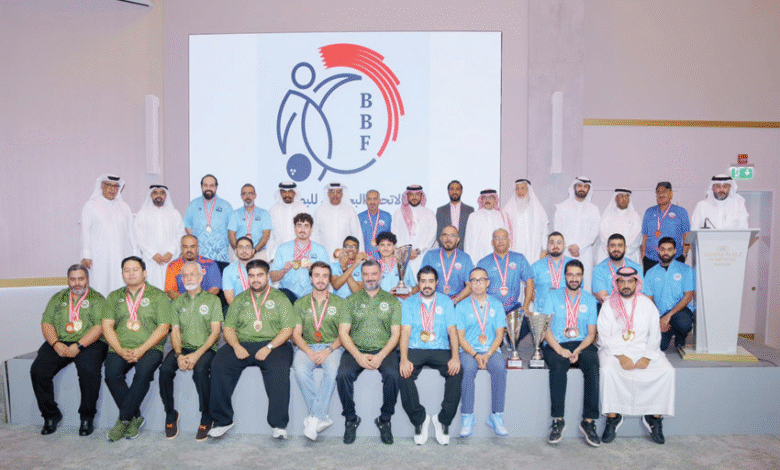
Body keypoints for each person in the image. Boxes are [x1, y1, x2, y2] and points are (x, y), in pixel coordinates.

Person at [208, 260, 295, 439]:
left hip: (274, 344)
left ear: (267, 276)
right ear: (248, 278)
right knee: (218, 365)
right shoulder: (239, 299)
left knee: (280, 369)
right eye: (252, 275)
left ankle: (278, 425)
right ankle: (222, 421)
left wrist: (269, 347)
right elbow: (229, 328)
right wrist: (236, 346)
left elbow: (288, 329)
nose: (256, 279)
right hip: (243, 343)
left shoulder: (280, 298)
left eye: (260, 275)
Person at [598, 266, 675, 445]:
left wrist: (647, 357)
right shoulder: (608, 305)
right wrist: (621, 356)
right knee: (608, 371)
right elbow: (604, 335)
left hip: (643, 349)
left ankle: (654, 417)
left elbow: (655, 334)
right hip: (614, 350)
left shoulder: (647, 304)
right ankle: (613, 417)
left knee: (666, 371)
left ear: (636, 283)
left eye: (630, 281)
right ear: (616, 283)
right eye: (622, 282)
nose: (626, 285)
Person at [30, 264, 108, 436]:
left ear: (87, 279)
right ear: (68, 280)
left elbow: (99, 327)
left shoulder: (97, 299)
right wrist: (55, 343)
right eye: (73, 279)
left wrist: (79, 345)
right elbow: (46, 323)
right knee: (38, 370)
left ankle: (87, 417)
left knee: (89, 371)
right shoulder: (58, 298)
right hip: (60, 341)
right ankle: (51, 415)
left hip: (90, 342)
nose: (77, 283)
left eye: (81, 279)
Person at [103, 256, 171, 442]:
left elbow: (163, 328)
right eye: (127, 270)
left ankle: (124, 419)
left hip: (150, 348)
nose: (131, 273)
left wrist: (141, 350)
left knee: (142, 373)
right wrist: (119, 349)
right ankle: (135, 418)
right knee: (111, 374)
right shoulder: (114, 297)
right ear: (122, 274)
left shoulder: (158, 296)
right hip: (120, 347)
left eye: (135, 269)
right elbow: (107, 326)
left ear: (144, 273)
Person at [336, 260, 402, 445]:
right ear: (361, 276)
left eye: (374, 274)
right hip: (356, 349)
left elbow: (396, 334)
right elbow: (343, 333)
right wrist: (358, 355)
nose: (370, 278)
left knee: (393, 375)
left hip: (385, 350)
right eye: (366, 274)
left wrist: (381, 356)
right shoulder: (350, 301)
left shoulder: (392, 301)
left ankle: (385, 420)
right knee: (342, 375)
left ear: (381, 275)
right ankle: (351, 419)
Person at [158, 261, 222, 441]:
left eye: (193, 274)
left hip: (206, 348)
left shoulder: (213, 300)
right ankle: (170, 413)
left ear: (201, 277)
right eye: (185, 275)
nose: (188, 278)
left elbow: (216, 332)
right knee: (165, 370)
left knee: (200, 372)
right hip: (183, 348)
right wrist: (179, 355)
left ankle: (207, 415)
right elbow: (175, 331)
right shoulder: (177, 302)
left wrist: (197, 355)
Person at [539, 260, 600, 447]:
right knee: (558, 366)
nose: (574, 278)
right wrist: (560, 349)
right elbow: (545, 329)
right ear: (565, 276)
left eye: (578, 275)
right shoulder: (552, 296)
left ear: (582, 277)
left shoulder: (589, 299)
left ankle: (588, 421)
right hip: (557, 342)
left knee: (593, 364)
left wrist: (578, 350)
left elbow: (591, 333)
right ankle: (558, 420)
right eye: (570, 274)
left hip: (581, 343)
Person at [399, 267, 462, 445]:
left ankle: (443, 420)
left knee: (457, 372)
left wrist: (455, 357)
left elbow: (452, 331)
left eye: (431, 281)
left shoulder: (446, 302)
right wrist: (403, 359)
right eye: (423, 281)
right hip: (416, 347)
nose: (427, 285)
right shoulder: (409, 303)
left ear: (437, 283)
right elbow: (405, 332)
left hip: (440, 348)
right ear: (418, 283)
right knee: (402, 374)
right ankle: (420, 419)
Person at [291, 262, 346, 441]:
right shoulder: (300, 303)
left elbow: (344, 335)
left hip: (332, 346)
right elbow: (296, 334)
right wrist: (308, 351)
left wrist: (328, 350)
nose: (321, 280)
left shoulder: (340, 303)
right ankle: (321, 416)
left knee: (333, 370)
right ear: (310, 278)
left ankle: (313, 418)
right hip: (306, 346)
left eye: (325, 276)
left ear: (329, 279)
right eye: (317, 275)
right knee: (299, 369)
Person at [455, 268, 507, 437]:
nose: (477, 284)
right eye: (474, 280)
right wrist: (476, 355)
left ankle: (496, 415)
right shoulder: (461, 306)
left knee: (499, 368)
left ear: (487, 283)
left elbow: (500, 334)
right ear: (469, 284)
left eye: (481, 280)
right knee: (468, 369)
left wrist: (489, 354)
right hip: (468, 351)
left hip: (491, 350)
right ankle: (467, 416)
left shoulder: (497, 305)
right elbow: (460, 338)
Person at [81, 174, 136, 296]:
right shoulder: (91, 205)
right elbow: (85, 231)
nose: (112, 189)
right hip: (99, 256)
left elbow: (131, 233)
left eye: (115, 186)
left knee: (120, 284)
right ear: (101, 186)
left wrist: (134, 256)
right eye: (109, 185)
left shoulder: (124, 207)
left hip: (121, 255)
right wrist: (86, 255)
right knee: (100, 285)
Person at [476, 229, 535, 334]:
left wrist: (526, 306)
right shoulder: (483, 262)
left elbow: (529, 281)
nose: (500, 241)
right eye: (497, 238)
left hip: (512, 307)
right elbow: (477, 287)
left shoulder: (519, 259)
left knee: (526, 324)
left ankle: (510, 338)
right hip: (490, 308)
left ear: (509, 241)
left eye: (503, 238)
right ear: (492, 242)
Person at [643, 237, 695, 351]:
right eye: (662, 249)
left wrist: (669, 316)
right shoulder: (650, 273)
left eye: (669, 249)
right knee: (660, 346)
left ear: (675, 251)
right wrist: (658, 319)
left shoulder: (685, 269)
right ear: (658, 250)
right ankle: (669, 330)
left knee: (683, 323)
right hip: (660, 313)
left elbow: (688, 297)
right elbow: (648, 300)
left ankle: (680, 335)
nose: (666, 253)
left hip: (680, 311)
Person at [269, 212, 329, 304]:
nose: (302, 229)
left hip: (311, 294)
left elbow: (327, 278)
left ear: (311, 229)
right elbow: (273, 278)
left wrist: (315, 270)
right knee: (283, 296)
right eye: (299, 225)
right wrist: (284, 270)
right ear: (294, 228)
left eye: (306, 226)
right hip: (288, 294)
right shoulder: (283, 248)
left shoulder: (321, 250)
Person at [134, 184, 185, 290]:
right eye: (155, 193)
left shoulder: (174, 214)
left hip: (170, 259)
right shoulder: (142, 214)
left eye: (162, 193)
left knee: (170, 288)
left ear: (166, 196)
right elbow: (138, 236)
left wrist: (171, 252)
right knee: (151, 288)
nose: (158, 196)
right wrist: (152, 253)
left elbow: (181, 234)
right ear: (151, 195)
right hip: (150, 260)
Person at [554, 177, 600, 291]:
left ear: (589, 189)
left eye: (585, 187)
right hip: (565, 251)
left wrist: (579, 246)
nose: (582, 189)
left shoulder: (594, 209)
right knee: (564, 282)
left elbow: (594, 232)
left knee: (585, 284)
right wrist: (570, 245)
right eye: (579, 186)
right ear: (574, 187)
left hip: (585, 252)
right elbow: (558, 229)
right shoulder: (563, 207)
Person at [184, 174, 233, 270]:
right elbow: (188, 226)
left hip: (221, 256)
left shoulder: (226, 206)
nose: (208, 188)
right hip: (199, 258)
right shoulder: (193, 205)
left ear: (216, 187)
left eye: (211, 186)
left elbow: (231, 230)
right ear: (201, 186)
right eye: (205, 185)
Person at [641, 182, 690, 273]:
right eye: (658, 192)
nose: (661, 194)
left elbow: (686, 235)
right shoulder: (649, 212)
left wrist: (684, 254)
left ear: (671, 194)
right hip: (651, 259)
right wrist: (643, 255)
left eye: (664, 191)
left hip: (674, 259)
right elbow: (644, 236)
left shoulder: (681, 212)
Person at [421, 225, 474, 305]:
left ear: (458, 239)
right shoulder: (430, 256)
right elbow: (422, 282)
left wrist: (455, 301)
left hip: (457, 302)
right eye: (445, 235)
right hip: (433, 302)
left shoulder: (465, 258)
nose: (448, 238)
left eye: (452, 235)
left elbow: (470, 286)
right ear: (441, 239)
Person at [392, 185, 437, 274]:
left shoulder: (429, 213)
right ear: (407, 196)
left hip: (422, 256)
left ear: (421, 196)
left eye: (417, 195)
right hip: (403, 256)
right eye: (411, 195)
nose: (414, 197)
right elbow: (394, 234)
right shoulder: (398, 213)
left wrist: (419, 250)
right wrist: (406, 252)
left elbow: (432, 235)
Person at [592, 233, 644, 307]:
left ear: (625, 248)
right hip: (608, 309)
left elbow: (640, 294)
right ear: (607, 248)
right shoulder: (599, 270)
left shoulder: (636, 268)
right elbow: (603, 299)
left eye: (620, 245)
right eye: (613, 245)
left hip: (632, 308)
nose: (616, 249)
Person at [165, 235, 221, 300]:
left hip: (205, 301)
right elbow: (171, 292)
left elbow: (215, 289)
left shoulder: (210, 264)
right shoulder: (173, 265)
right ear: (181, 249)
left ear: (198, 248)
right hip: (182, 302)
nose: (189, 250)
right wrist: (187, 302)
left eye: (192, 247)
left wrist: (199, 301)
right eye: (185, 247)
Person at [504, 179, 549, 262]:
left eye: (522, 188)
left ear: (528, 190)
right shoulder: (508, 209)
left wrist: (544, 249)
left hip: (533, 250)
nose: (520, 191)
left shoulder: (537, 209)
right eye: (517, 189)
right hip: (515, 249)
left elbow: (544, 230)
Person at [314, 182, 362, 259]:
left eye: (338, 192)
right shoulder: (319, 211)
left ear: (342, 194)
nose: (335, 195)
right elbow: (314, 235)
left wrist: (360, 257)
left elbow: (357, 235)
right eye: (332, 192)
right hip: (324, 256)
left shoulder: (350, 211)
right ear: (328, 194)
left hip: (346, 257)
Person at [464, 189, 512, 263]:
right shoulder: (473, 216)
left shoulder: (500, 216)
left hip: (497, 257)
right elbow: (468, 240)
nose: (487, 200)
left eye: (490, 198)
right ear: (481, 201)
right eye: (485, 198)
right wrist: (469, 260)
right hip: (478, 257)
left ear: (495, 200)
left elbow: (505, 237)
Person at [530, 232, 573, 313]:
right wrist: (538, 302)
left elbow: (579, 288)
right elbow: (528, 288)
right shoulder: (536, 266)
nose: (555, 246)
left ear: (564, 245)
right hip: (543, 313)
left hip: (567, 311)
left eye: (559, 243)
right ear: (547, 246)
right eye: (552, 243)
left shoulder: (573, 265)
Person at [228, 184, 272, 260]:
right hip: (240, 254)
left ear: (255, 196)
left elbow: (266, 235)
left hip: (258, 252)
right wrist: (238, 250)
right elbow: (231, 235)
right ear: (241, 196)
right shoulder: (235, 214)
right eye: (244, 194)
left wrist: (254, 250)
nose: (247, 196)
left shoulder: (264, 213)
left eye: (250, 193)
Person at [597, 189, 642, 265]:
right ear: (615, 198)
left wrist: (623, 251)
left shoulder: (635, 216)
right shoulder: (607, 216)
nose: (624, 199)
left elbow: (636, 236)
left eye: (626, 196)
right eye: (621, 196)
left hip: (630, 255)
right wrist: (613, 250)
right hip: (609, 254)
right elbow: (603, 235)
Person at [267, 181, 308, 260]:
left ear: (294, 192)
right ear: (280, 193)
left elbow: (309, 233)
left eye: (290, 192)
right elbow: (271, 236)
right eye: (284, 192)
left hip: (300, 254)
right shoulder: (273, 210)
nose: (287, 195)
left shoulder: (303, 209)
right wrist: (271, 255)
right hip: (278, 254)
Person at [435, 180, 474, 251]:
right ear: (448, 192)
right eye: (452, 189)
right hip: (446, 249)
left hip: (464, 250)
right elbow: (439, 233)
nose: (454, 192)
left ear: (461, 191)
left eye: (457, 189)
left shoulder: (469, 210)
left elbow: (472, 233)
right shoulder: (441, 210)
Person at [358, 189, 392, 260]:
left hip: (383, 257)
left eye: (375, 199)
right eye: (369, 199)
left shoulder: (387, 216)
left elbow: (391, 239)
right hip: (364, 258)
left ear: (379, 201)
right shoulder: (359, 217)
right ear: (365, 201)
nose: (372, 202)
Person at [222, 236, 254, 305]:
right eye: (240, 247)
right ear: (236, 251)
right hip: (238, 307)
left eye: (248, 247)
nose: (244, 251)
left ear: (253, 251)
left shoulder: (261, 268)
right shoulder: (228, 270)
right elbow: (230, 300)